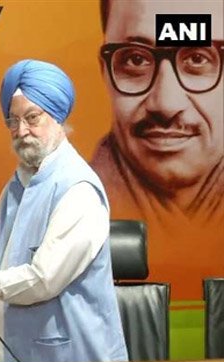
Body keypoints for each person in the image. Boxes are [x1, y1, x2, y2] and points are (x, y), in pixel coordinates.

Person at [0, 59, 128, 362]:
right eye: (13, 121)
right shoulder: (18, 183)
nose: (21, 130)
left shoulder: (78, 190)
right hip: (18, 361)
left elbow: (42, 280)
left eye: (32, 118)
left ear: (57, 116)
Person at [90, 0, 223, 298]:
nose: (166, 104)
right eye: (136, 59)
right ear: (105, 72)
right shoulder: (69, 207)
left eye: (198, 58)